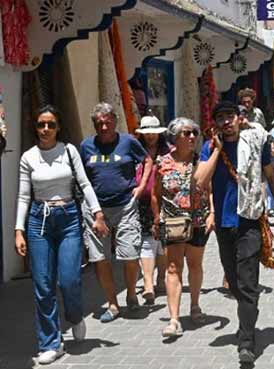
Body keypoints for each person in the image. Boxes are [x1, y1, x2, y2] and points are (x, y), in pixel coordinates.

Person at [14, 105, 108, 364]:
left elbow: (85, 183)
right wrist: (18, 230)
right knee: (43, 285)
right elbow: (23, 196)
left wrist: (98, 213)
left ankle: (75, 316)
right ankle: (51, 344)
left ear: (58, 127)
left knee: (69, 280)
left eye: (51, 124)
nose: (45, 129)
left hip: (68, 219)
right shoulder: (28, 157)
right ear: (36, 127)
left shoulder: (69, 151)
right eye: (41, 124)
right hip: (38, 222)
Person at [196, 101, 274, 363]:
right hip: (224, 225)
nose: (226, 122)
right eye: (220, 118)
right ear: (216, 124)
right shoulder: (210, 147)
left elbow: (271, 176)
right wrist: (217, 151)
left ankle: (246, 342)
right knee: (234, 283)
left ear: (239, 119)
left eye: (230, 117)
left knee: (247, 284)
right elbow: (200, 181)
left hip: (249, 221)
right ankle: (248, 317)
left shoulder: (256, 143)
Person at [80, 102, 152, 323]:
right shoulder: (86, 146)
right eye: (99, 123)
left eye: (107, 122)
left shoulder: (128, 142)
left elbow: (147, 161)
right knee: (101, 258)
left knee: (130, 254)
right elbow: (81, 176)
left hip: (125, 206)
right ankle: (112, 303)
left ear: (114, 121)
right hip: (95, 209)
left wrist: (140, 188)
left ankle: (131, 293)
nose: (103, 127)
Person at [152, 118, 211, 337]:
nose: (192, 137)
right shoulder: (163, 162)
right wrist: (157, 218)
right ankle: (174, 319)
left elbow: (210, 190)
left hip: (197, 221)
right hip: (173, 222)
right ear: (175, 137)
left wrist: (212, 213)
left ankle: (195, 305)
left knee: (195, 265)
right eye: (187, 133)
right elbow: (156, 195)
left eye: (194, 132)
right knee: (174, 268)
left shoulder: (201, 161)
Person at [134, 116, 170, 305]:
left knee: (163, 243)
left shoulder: (168, 152)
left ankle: (161, 277)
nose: (150, 137)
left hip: (165, 203)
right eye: (146, 133)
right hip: (142, 203)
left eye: (153, 133)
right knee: (146, 241)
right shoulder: (134, 152)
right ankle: (148, 283)